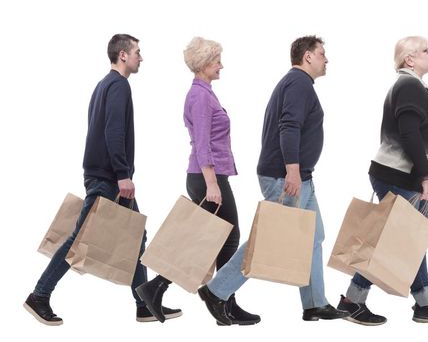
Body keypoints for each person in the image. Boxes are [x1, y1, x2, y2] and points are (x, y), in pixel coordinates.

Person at [24, 34, 181, 325]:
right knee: (78, 240)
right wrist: (123, 174)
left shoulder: (102, 85)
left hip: (102, 175)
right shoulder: (119, 86)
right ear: (123, 55)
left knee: (137, 234)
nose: (140, 57)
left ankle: (143, 303)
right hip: (108, 178)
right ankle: (39, 296)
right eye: (137, 52)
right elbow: (113, 132)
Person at [195, 36, 349, 326]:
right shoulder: (298, 84)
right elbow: (288, 125)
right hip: (286, 176)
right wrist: (292, 169)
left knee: (314, 236)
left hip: (300, 176)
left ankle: (315, 304)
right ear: (307, 57)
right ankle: (216, 291)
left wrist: (298, 171)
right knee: (267, 240)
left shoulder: (297, 84)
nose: (326, 60)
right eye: (322, 54)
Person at [336, 36, 428, 326]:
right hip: (400, 177)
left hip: (401, 177)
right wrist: (424, 176)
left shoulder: (415, 87)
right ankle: (419, 304)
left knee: (406, 240)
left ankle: (411, 303)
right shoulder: (408, 85)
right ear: (409, 59)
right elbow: (409, 134)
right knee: (399, 240)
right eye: (425, 51)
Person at [134, 37, 258, 325]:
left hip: (207, 176)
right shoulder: (200, 96)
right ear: (204, 63)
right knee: (228, 237)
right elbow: (203, 144)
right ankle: (220, 299)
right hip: (206, 178)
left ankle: (163, 289)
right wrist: (212, 183)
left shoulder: (204, 92)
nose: (221, 65)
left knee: (206, 239)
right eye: (217, 61)